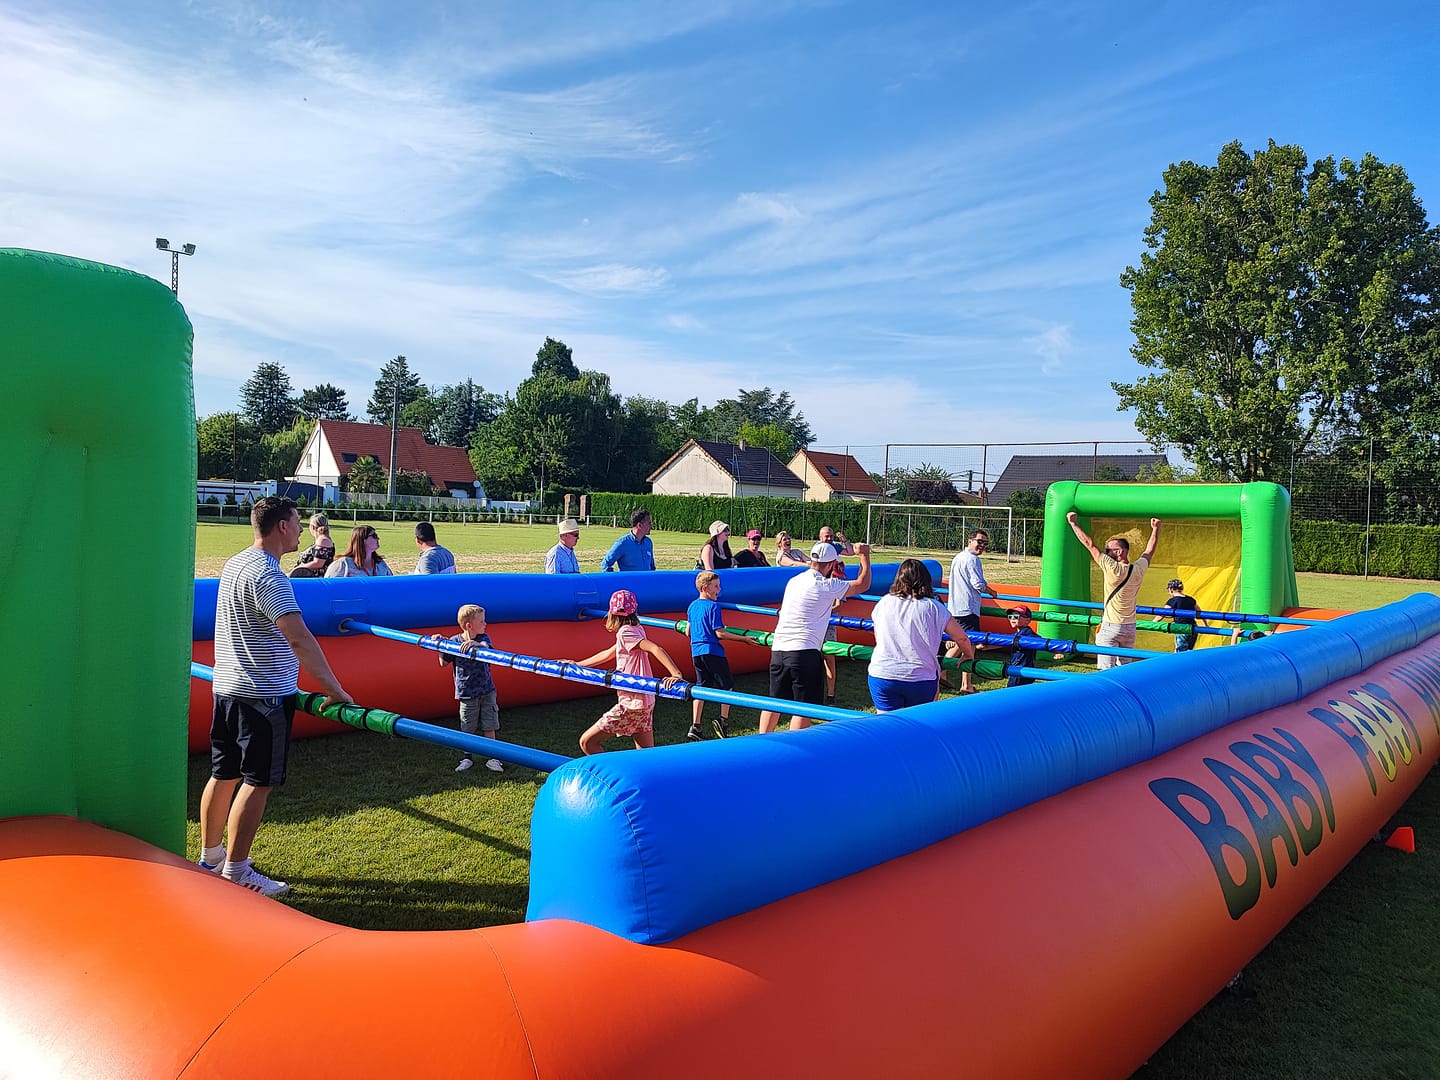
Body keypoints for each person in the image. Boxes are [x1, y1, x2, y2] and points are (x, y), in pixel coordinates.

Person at [199, 496, 352, 897]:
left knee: (223, 772)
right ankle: (236, 870)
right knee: (257, 781)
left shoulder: (235, 563)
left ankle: (210, 858)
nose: (302, 529)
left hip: (227, 689)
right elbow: (300, 638)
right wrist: (335, 691)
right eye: (298, 522)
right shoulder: (269, 577)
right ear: (281, 526)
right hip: (262, 695)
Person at [757, 541, 872, 734]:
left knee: (773, 701)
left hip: (779, 648)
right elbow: (863, 584)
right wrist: (864, 556)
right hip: (804, 651)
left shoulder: (794, 581)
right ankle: (795, 746)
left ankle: (760, 743)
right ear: (830, 565)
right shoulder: (826, 585)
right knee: (803, 706)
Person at [566, 589, 684, 753]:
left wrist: (676, 674)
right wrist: (578, 664)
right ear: (635, 609)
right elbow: (609, 653)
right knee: (645, 755)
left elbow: (655, 648)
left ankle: (611, 777)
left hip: (631, 703)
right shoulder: (637, 628)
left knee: (587, 742)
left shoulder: (626, 632)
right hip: (645, 702)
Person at [868, 559, 973, 712]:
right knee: (919, 727)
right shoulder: (934, 607)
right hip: (920, 676)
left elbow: (879, 636)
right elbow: (962, 637)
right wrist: (968, 654)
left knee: (887, 728)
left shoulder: (883, 603)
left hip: (883, 673)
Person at [1065, 512, 1161, 669]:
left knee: (1105, 671)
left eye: (1108, 549)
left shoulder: (1111, 567)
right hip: (1130, 626)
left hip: (1111, 625)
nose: (1106, 552)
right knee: (1125, 670)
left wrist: (1073, 523)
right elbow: (1149, 551)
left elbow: (1089, 544)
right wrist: (1156, 528)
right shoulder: (1138, 569)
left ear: (1119, 551)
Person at [686, 571, 755, 739]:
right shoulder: (713, 607)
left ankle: (695, 726)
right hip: (713, 651)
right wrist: (743, 639)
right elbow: (720, 633)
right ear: (704, 588)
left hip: (696, 652)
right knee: (727, 686)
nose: (719, 589)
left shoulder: (692, 606)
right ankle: (723, 721)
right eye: (716, 586)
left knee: (701, 687)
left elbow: (688, 631)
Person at [438, 604, 503, 772]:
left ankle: (493, 757)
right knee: (468, 726)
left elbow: (488, 648)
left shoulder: (484, 638)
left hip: (487, 690)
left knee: (490, 724)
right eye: (481, 621)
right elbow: (443, 662)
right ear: (469, 625)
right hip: (466, 693)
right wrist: (439, 645)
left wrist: (478, 645)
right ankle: (467, 757)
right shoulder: (454, 642)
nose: (485, 623)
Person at [947, 530, 999, 693]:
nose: (982, 546)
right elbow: (978, 584)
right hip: (967, 609)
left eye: (985, 543)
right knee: (968, 646)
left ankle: (964, 683)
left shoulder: (959, 557)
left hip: (956, 607)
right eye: (979, 541)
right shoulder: (972, 560)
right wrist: (991, 591)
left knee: (963, 644)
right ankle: (943, 673)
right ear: (970, 540)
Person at [325, 525, 393, 577]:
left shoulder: (380, 564)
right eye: (374, 536)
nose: (378, 538)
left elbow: (391, 585)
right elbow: (328, 587)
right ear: (362, 540)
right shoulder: (343, 564)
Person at [290, 512, 335, 578]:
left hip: (314, 580)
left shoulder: (323, 541)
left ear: (313, 527)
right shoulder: (322, 540)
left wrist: (298, 568)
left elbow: (318, 563)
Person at [1165, 578, 1200, 652]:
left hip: (1181, 628)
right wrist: (1205, 624)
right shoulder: (1190, 599)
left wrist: (1154, 622)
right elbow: (1199, 612)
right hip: (1193, 627)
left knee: (1180, 651)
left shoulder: (1173, 601)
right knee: (1189, 650)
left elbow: (1163, 613)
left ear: (1171, 590)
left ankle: (1177, 663)